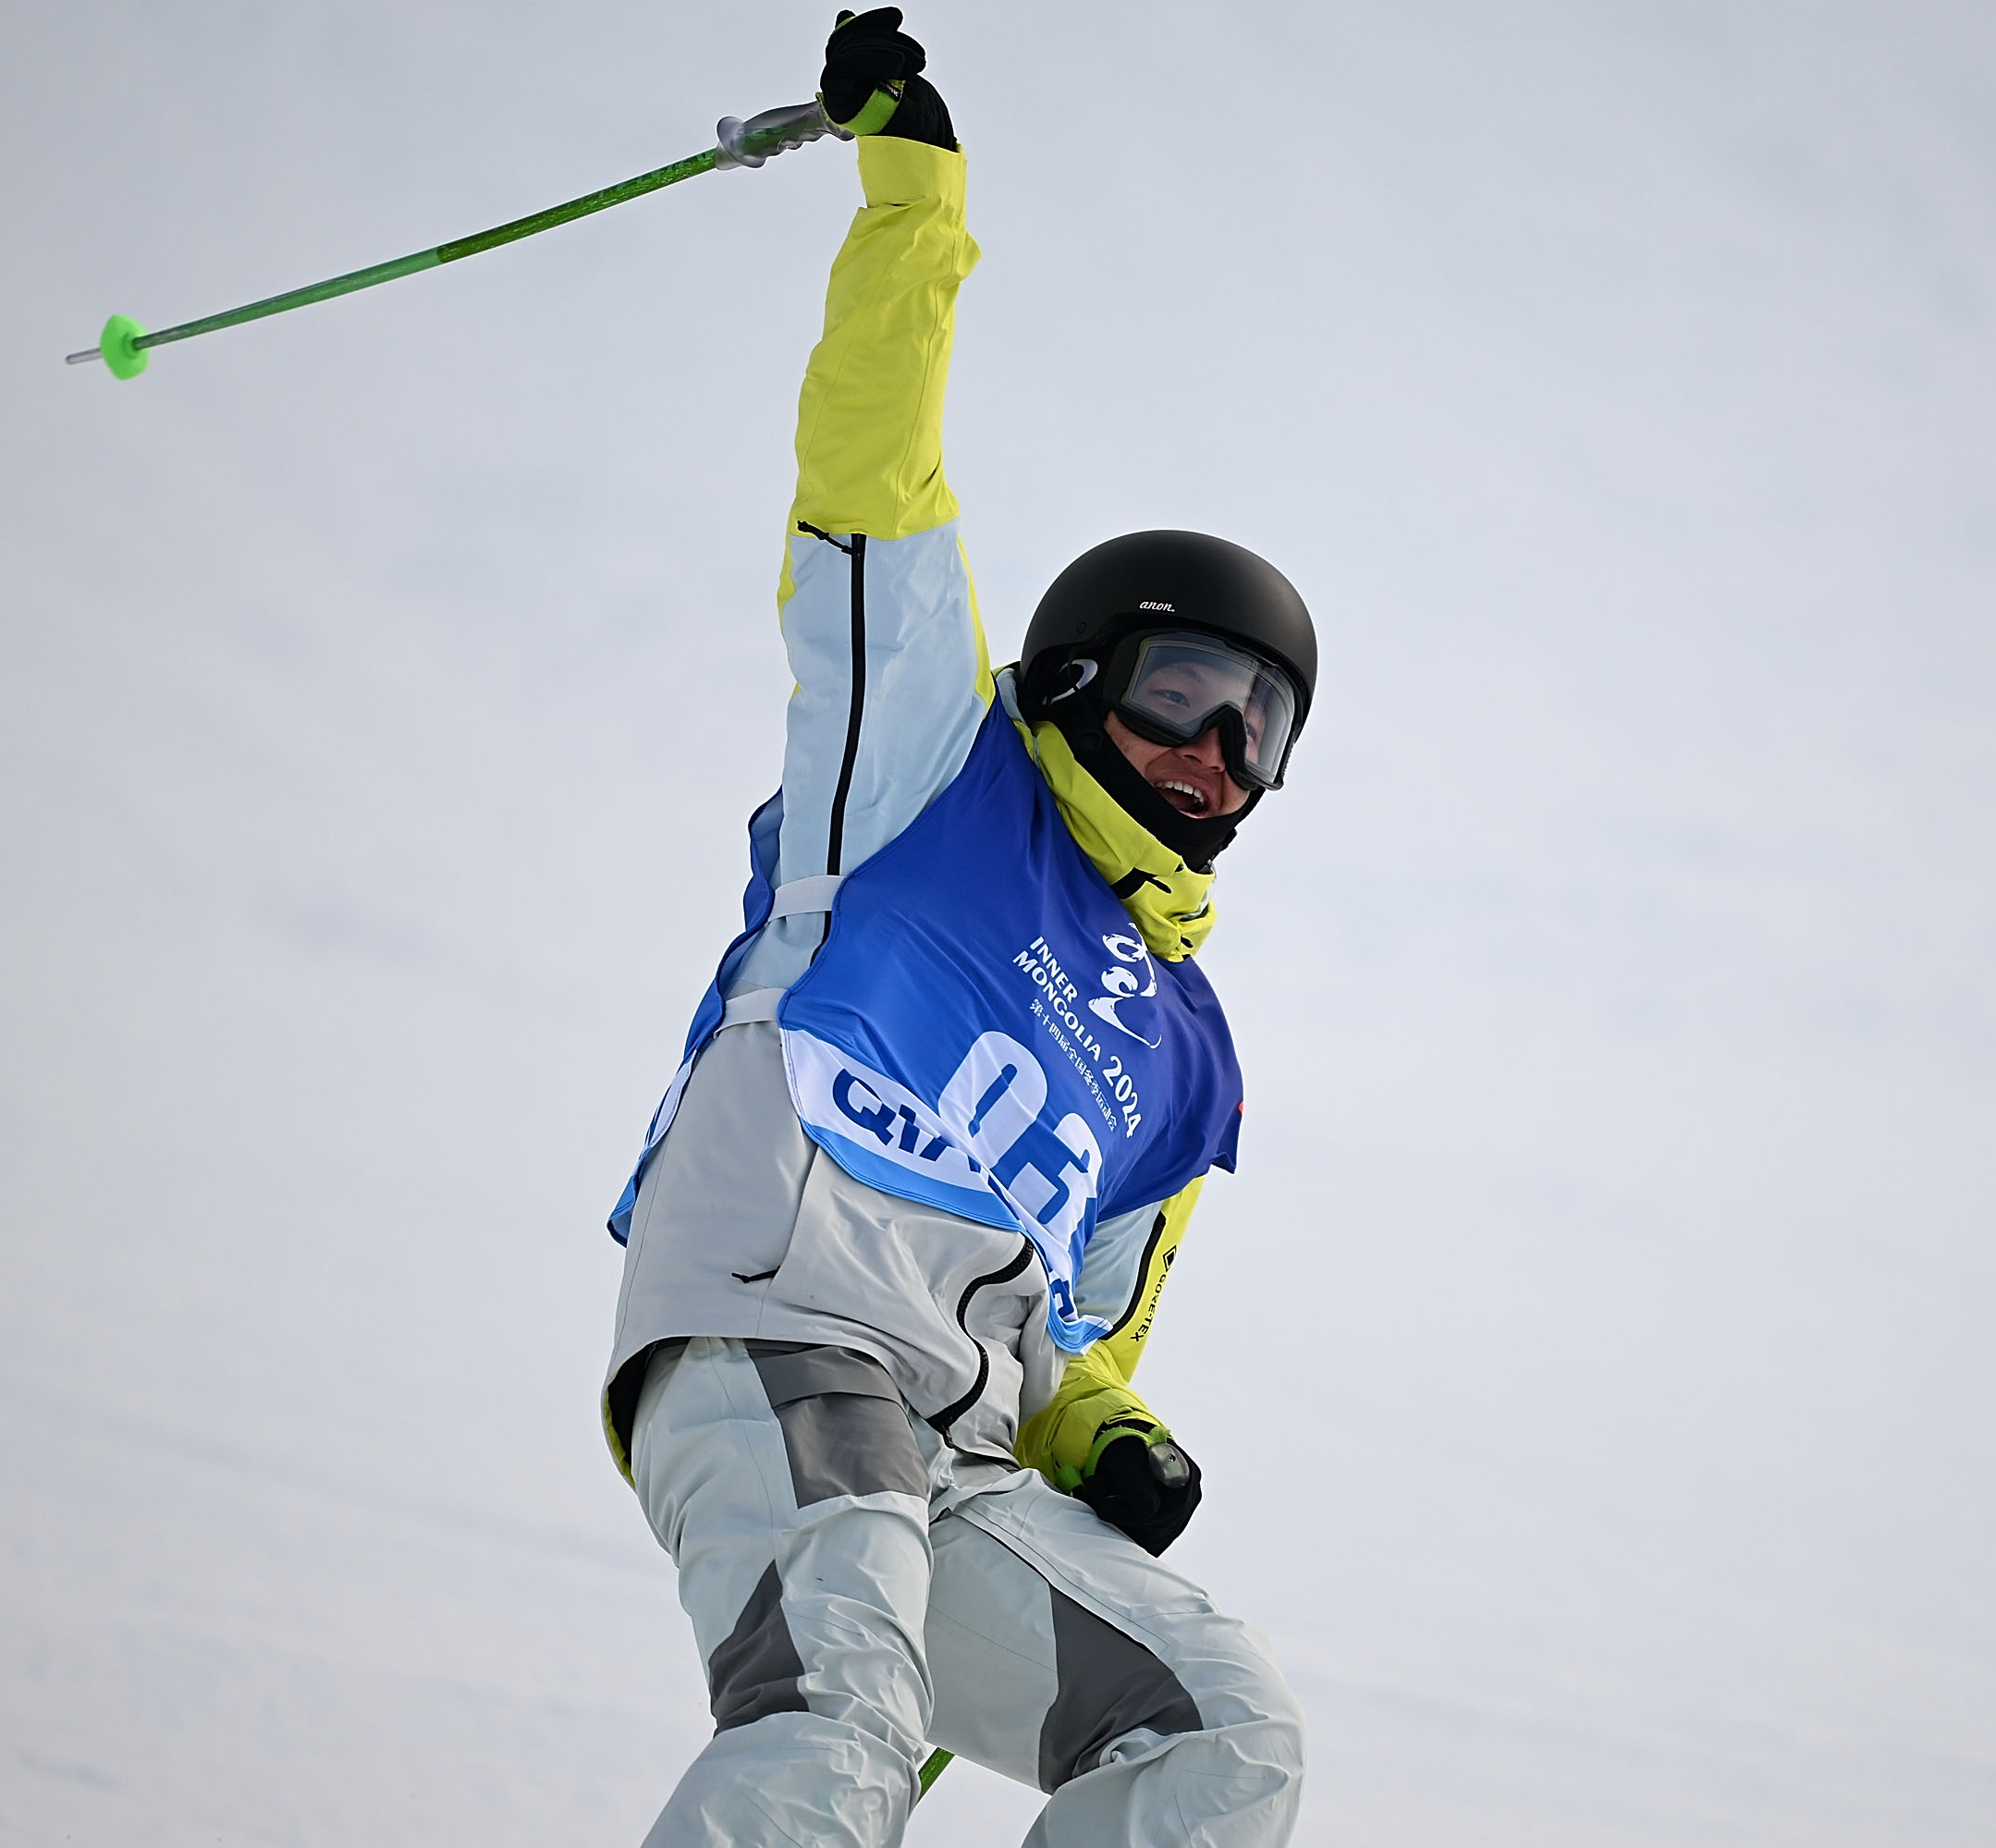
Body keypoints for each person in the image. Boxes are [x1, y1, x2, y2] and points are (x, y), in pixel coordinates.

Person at [599, 13, 1317, 1843]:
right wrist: (914, 200)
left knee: (1223, 1730)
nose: (1216, 753)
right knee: (831, 1727)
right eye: (1186, 691)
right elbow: (874, 486)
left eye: (1261, 727)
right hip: (778, 1330)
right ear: (1081, 677)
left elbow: (1067, 1329)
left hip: (956, 1453)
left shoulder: (1175, 1045)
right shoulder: (930, 765)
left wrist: (1093, 1438)